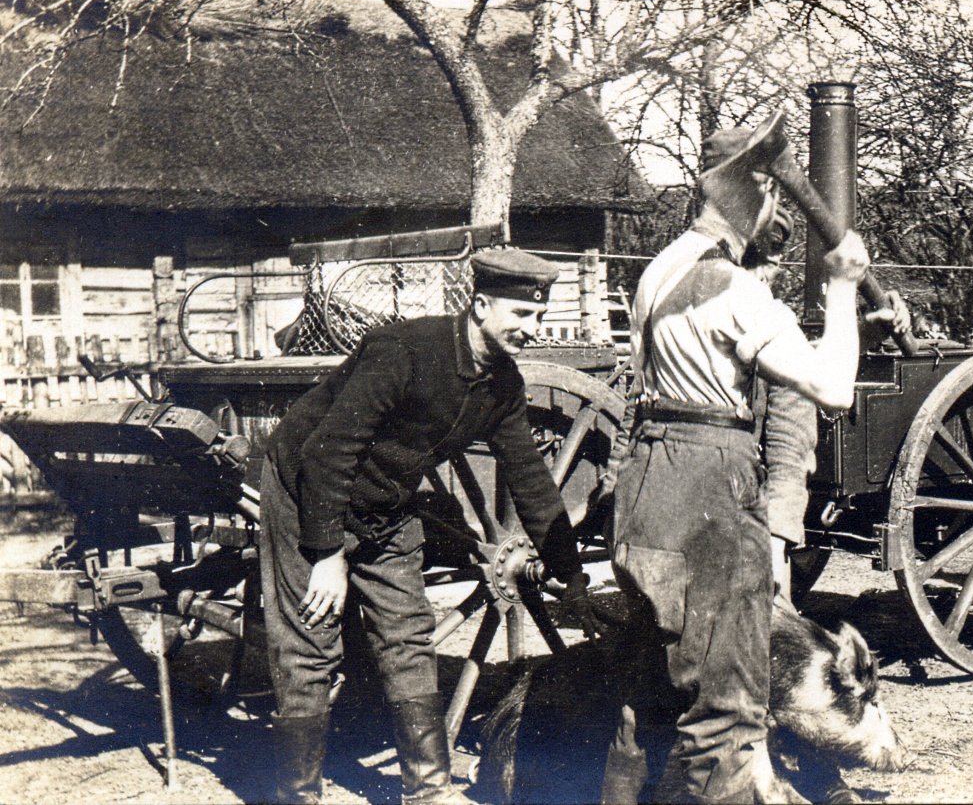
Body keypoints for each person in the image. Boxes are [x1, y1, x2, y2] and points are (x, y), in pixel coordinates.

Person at [258, 248, 594, 804]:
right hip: (307, 488)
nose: (533, 328)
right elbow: (328, 453)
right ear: (481, 305)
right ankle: (298, 796)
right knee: (311, 642)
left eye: (538, 316)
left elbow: (531, 480)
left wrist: (571, 573)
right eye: (520, 314)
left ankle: (430, 791)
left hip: (387, 504)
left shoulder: (503, 385)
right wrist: (327, 555)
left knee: (408, 636)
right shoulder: (405, 352)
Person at [602, 109, 870, 804]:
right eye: (776, 194)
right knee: (728, 701)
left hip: (649, 480)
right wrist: (844, 288)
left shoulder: (659, 270)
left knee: (649, 692)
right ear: (762, 192)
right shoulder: (738, 291)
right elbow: (833, 389)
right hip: (711, 483)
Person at [741, 210, 909, 603]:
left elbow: (788, 450)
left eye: (769, 260)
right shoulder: (723, 311)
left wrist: (865, 330)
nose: (764, 274)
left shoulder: (762, 322)